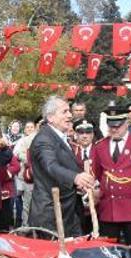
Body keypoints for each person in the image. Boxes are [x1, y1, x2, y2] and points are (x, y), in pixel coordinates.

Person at [29, 96, 95, 236]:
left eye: (69, 111)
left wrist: (83, 182)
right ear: (50, 117)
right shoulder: (44, 139)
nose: (70, 115)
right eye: (64, 112)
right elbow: (51, 166)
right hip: (51, 214)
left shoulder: (61, 137)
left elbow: (67, 165)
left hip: (68, 211)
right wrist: (75, 178)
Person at [90, 107, 131, 247]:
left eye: (118, 126)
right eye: (111, 126)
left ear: (126, 123)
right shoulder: (99, 146)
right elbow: (97, 174)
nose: (114, 130)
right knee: (108, 255)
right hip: (109, 209)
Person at [0, 124, 21, 232]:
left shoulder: (4, 149)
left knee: (4, 216)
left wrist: (7, 173)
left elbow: (16, 166)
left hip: (4, 188)